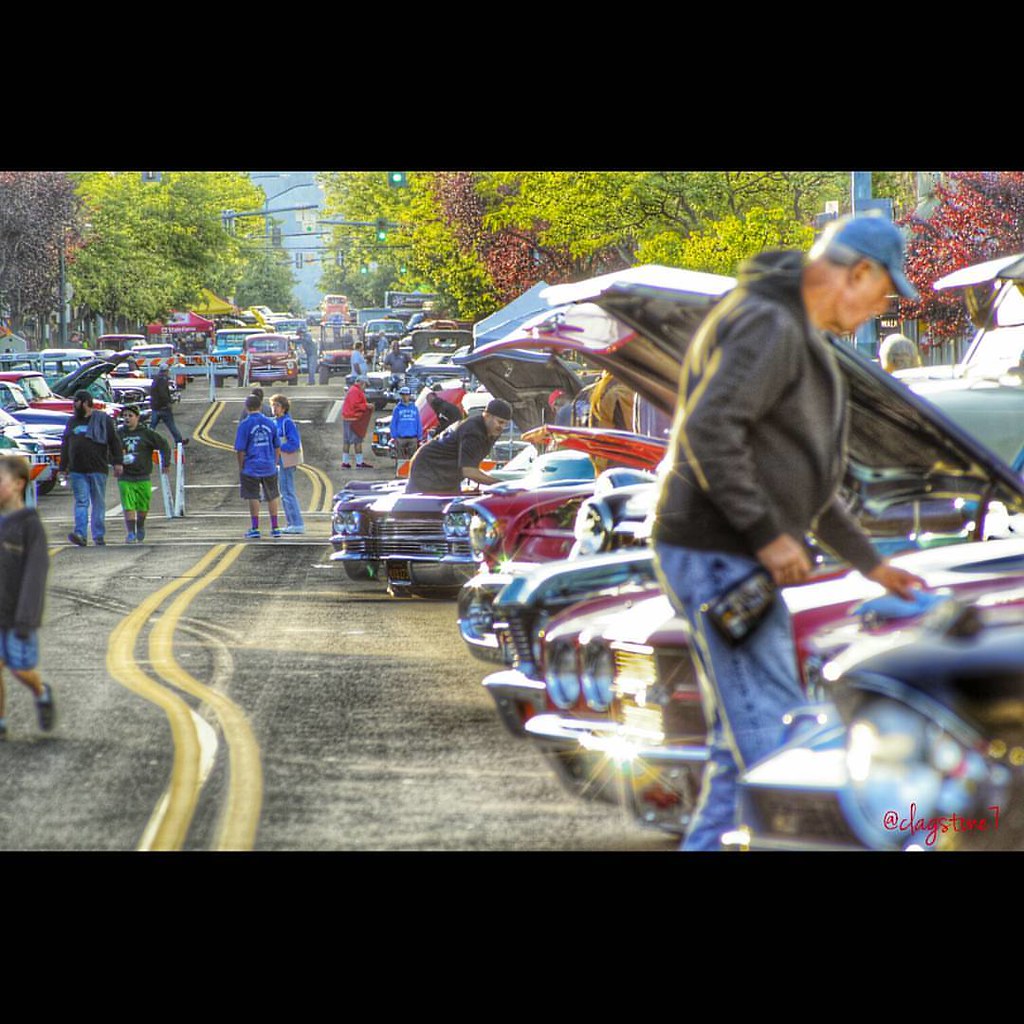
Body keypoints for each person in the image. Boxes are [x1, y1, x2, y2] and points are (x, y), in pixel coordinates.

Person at [651, 214, 927, 852]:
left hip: (722, 552)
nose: (880, 312)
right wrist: (769, 534)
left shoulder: (790, 325)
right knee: (778, 748)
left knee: (740, 745)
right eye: (886, 295)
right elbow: (709, 430)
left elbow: (805, 481)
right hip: (723, 554)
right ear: (857, 272)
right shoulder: (772, 323)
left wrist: (871, 564)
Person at [0, 453, 55, 739]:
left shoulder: (30, 526)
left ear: (20, 484)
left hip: (18, 614)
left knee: (22, 670)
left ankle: (41, 691)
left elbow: (35, 575)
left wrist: (27, 617)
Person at [59, 389, 123, 547]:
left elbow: (114, 441)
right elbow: (65, 444)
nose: (74, 405)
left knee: (98, 502)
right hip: (77, 469)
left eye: (77, 401)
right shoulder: (72, 422)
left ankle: (98, 535)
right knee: (81, 501)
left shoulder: (103, 420)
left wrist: (118, 462)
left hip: (98, 468)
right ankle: (80, 533)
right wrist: (62, 467)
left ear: (86, 402)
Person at [406, 399, 511, 494]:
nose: (502, 427)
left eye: (505, 424)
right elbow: (469, 471)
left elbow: (472, 461)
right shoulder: (473, 431)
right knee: (428, 510)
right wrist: (502, 485)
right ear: (487, 416)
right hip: (428, 469)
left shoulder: (492, 432)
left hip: (447, 473)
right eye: (500, 422)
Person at [117, 404, 171, 543]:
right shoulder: (119, 434)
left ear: (137, 417)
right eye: (125, 416)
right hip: (125, 477)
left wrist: (166, 462)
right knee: (128, 505)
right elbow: (109, 449)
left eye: (130, 416)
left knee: (143, 506)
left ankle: (140, 525)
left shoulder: (146, 433)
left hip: (143, 476)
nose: (127, 419)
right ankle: (130, 532)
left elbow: (164, 445)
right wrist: (116, 462)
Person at [235, 393, 282, 539]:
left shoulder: (244, 425)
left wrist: (241, 466)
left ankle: (255, 527)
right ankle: (275, 527)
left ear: (247, 407)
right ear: (260, 406)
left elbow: (240, 449)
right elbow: (277, 446)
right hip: (268, 465)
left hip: (251, 466)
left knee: (253, 496)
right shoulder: (270, 423)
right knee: (272, 495)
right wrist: (274, 462)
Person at [271, 393, 304, 534]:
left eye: (277, 405)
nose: (274, 408)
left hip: (287, 461)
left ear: (284, 408)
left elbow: (294, 443)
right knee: (284, 492)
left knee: (288, 492)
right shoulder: (275, 421)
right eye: (273, 405)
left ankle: (297, 523)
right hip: (280, 461)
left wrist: (279, 448)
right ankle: (291, 522)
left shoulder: (287, 422)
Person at [150, 366, 188, 446]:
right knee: (171, 426)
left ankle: (145, 441)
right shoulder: (163, 381)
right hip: (164, 408)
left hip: (155, 407)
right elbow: (163, 394)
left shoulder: (155, 380)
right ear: (166, 371)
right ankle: (179, 442)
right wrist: (168, 403)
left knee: (152, 427)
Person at [341, 376, 373, 469]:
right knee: (357, 442)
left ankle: (345, 462)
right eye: (365, 385)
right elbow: (356, 405)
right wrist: (366, 405)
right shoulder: (356, 391)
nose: (365, 387)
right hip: (354, 419)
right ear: (361, 383)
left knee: (346, 442)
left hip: (347, 418)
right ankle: (359, 463)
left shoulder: (352, 390)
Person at [390, 386, 422, 461]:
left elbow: (418, 422)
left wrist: (419, 436)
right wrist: (394, 437)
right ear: (401, 396)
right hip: (400, 438)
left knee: (413, 458)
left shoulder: (414, 408)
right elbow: (393, 423)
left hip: (413, 437)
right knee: (401, 459)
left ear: (409, 395)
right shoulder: (397, 409)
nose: (405, 397)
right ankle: (402, 472)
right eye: (403, 395)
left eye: (406, 395)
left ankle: (411, 472)